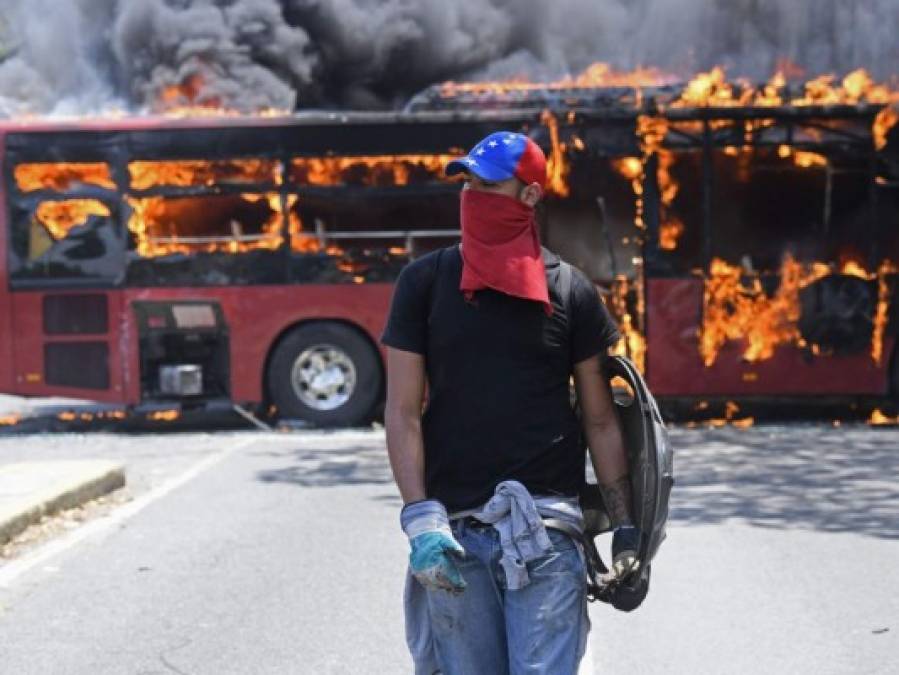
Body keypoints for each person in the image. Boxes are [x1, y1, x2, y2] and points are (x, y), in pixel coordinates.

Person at [381, 131, 639, 675]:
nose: (472, 195)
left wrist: (626, 529)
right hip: (452, 533)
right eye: (466, 184)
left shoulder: (571, 292)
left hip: (545, 530)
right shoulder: (423, 283)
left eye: (488, 185)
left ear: (530, 195)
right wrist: (421, 520)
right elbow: (402, 412)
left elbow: (600, 419)